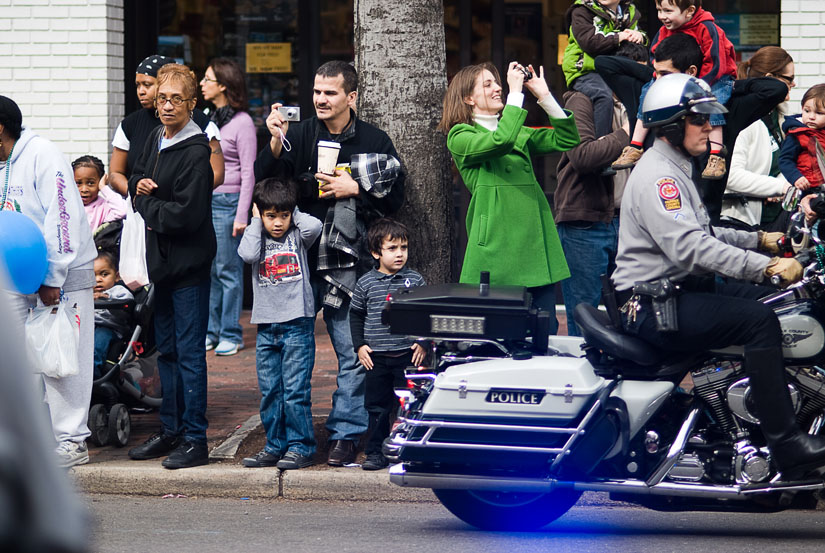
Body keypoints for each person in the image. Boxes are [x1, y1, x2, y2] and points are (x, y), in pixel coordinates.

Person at [612, 73, 825, 481]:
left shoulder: (675, 167)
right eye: (700, 120)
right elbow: (690, 247)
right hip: (653, 305)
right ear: (672, 124)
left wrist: (760, 239)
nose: (710, 128)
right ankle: (787, 444)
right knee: (760, 321)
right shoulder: (661, 178)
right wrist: (765, 267)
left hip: (672, 294)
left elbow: (704, 232)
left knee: (777, 305)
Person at [254, 60, 406, 467]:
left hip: (348, 262)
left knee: (352, 350)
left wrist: (355, 188)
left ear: (351, 97)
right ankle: (292, 440)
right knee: (291, 357)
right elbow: (266, 184)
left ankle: (344, 435)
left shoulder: (374, 139)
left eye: (330, 93)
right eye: (317, 92)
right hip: (297, 262)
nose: (320, 99)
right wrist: (273, 142)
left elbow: (395, 198)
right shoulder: (297, 133)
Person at [438, 61, 580, 334]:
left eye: (497, 82)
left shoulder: (516, 130)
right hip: (497, 250)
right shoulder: (460, 135)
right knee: (500, 337)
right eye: (487, 84)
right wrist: (516, 94)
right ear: (468, 98)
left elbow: (567, 140)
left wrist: (544, 96)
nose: (498, 88)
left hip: (534, 249)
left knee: (543, 334)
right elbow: (499, 142)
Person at [126, 64, 216, 470]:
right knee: (168, 353)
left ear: (193, 104)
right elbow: (136, 178)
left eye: (176, 99)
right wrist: (141, 191)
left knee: (190, 354)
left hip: (188, 268)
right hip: (160, 266)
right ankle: (171, 429)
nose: (166, 105)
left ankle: (196, 439)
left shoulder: (197, 152)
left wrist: (148, 203)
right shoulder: (153, 137)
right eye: (162, 98)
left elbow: (186, 215)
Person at [0, 95, 97, 468]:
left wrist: (53, 274)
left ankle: (72, 440)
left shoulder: (43, 154)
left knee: (61, 356)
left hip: (62, 276)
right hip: (11, 275)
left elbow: (63, 216)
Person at [598, 33, 788, 223]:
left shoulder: (721, 108)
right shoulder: (648, 96)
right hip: (654, 222)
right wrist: (659, 77)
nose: (706, 127)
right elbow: (604, 63)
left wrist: (718, 85)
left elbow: (775, 89)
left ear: (691, 72)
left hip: (704, 224)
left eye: (666, 74)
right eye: (658, 73)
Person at [238, 178, 322, 471]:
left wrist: (293, 211)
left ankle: (301, 446)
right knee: (271, 390)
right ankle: (275, 444)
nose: (277, 222)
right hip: (266, 326)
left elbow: (316, 226)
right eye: (270, 215)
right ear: (260, 213)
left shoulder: (298, 235)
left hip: (297, 323)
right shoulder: (256, 236)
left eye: (282, 215)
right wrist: (254, 221)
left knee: (295, 390)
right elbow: (247, 255)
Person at [612, 0, 736, 180]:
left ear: (689, 11)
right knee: (647, 93)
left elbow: (716, 62)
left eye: (668, 11)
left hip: (714, 77)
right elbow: (656, 53)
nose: (662, 16)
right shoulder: (665, 30)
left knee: (712, 102)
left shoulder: (707, 28)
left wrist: (700, 85)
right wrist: (658, 78)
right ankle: (635, 144)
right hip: (679, 78)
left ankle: (716, 154)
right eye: (659, 10)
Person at [555, 53, 633, 336]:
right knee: (584, 317)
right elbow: (583, 156)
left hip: (628, 221)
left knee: (632, 314)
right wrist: (628, 133)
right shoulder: (582, 99)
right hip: (585, 222)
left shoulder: (635, 104)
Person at [349, 218, 426, 470]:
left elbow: (427, 313)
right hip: (377, 357)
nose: (400, 254)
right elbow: (356, 314)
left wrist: (423, 342)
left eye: (403, 248)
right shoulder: (366, 283)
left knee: (411, 403)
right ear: (375, 252)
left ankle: (411, 448)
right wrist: (359, 345)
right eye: (392, 249)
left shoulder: (414, 281)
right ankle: (375, 452)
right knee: (377, 406)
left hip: (407, 355)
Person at [201, 58, 257, 357]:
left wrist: (242, 215)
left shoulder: (243, 122)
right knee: (209, 270)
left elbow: (249, 171)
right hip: (207, 201)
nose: (202, 84)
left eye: (207, 79)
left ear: (223, 84)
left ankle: (231, 333)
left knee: (228, 271)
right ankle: (211, 331)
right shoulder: (210, 119)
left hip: (228, 202)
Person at [109, 54, 224, 197]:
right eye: (138, 85)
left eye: (147, 84)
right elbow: (115, 172)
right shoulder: (130, 124)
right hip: (139, 210)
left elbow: (217, 173)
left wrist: (184, 194)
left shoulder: (201, 122)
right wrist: (136, 191)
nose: (141, 91)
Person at [721, 47, 795, 229]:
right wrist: (780, 187)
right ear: (771, 79)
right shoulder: (745, 119)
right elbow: (731, 176)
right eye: (789, 79)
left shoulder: (779, 116)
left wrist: (783, 182)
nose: (794, 84)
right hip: (745, 223)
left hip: (775, 218)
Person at [562, 0, 644, 139]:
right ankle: (602, 140)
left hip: (612, 68)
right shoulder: (582, 10)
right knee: (603, 96)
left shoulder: (627, 12)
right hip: (585, 69)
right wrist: (619, 37)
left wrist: (640, 36)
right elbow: (589, 42)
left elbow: (636, 38)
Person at [92, 249, 133, 379]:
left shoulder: (119, 291)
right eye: (93, 276)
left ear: (116, 276)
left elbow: (125, 309)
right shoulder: (87, 293)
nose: (98, 279)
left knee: (97, 345)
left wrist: (106, 298)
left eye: (104, 274)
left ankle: (94, 374)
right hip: (88, 326)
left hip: (109, 329)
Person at [780, 84, 825, 196]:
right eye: (807, 111)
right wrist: (796, 177)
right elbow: (785, 160)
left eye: (819, 113)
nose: (811, 117)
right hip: (806, 187)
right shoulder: (797, 134)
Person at [73, 155, 127, 231]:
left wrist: (103, 187)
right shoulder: (66, 205)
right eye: (78, 183)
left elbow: (123, 211)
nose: (84, 189)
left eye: (90, 183)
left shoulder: (104, 207)